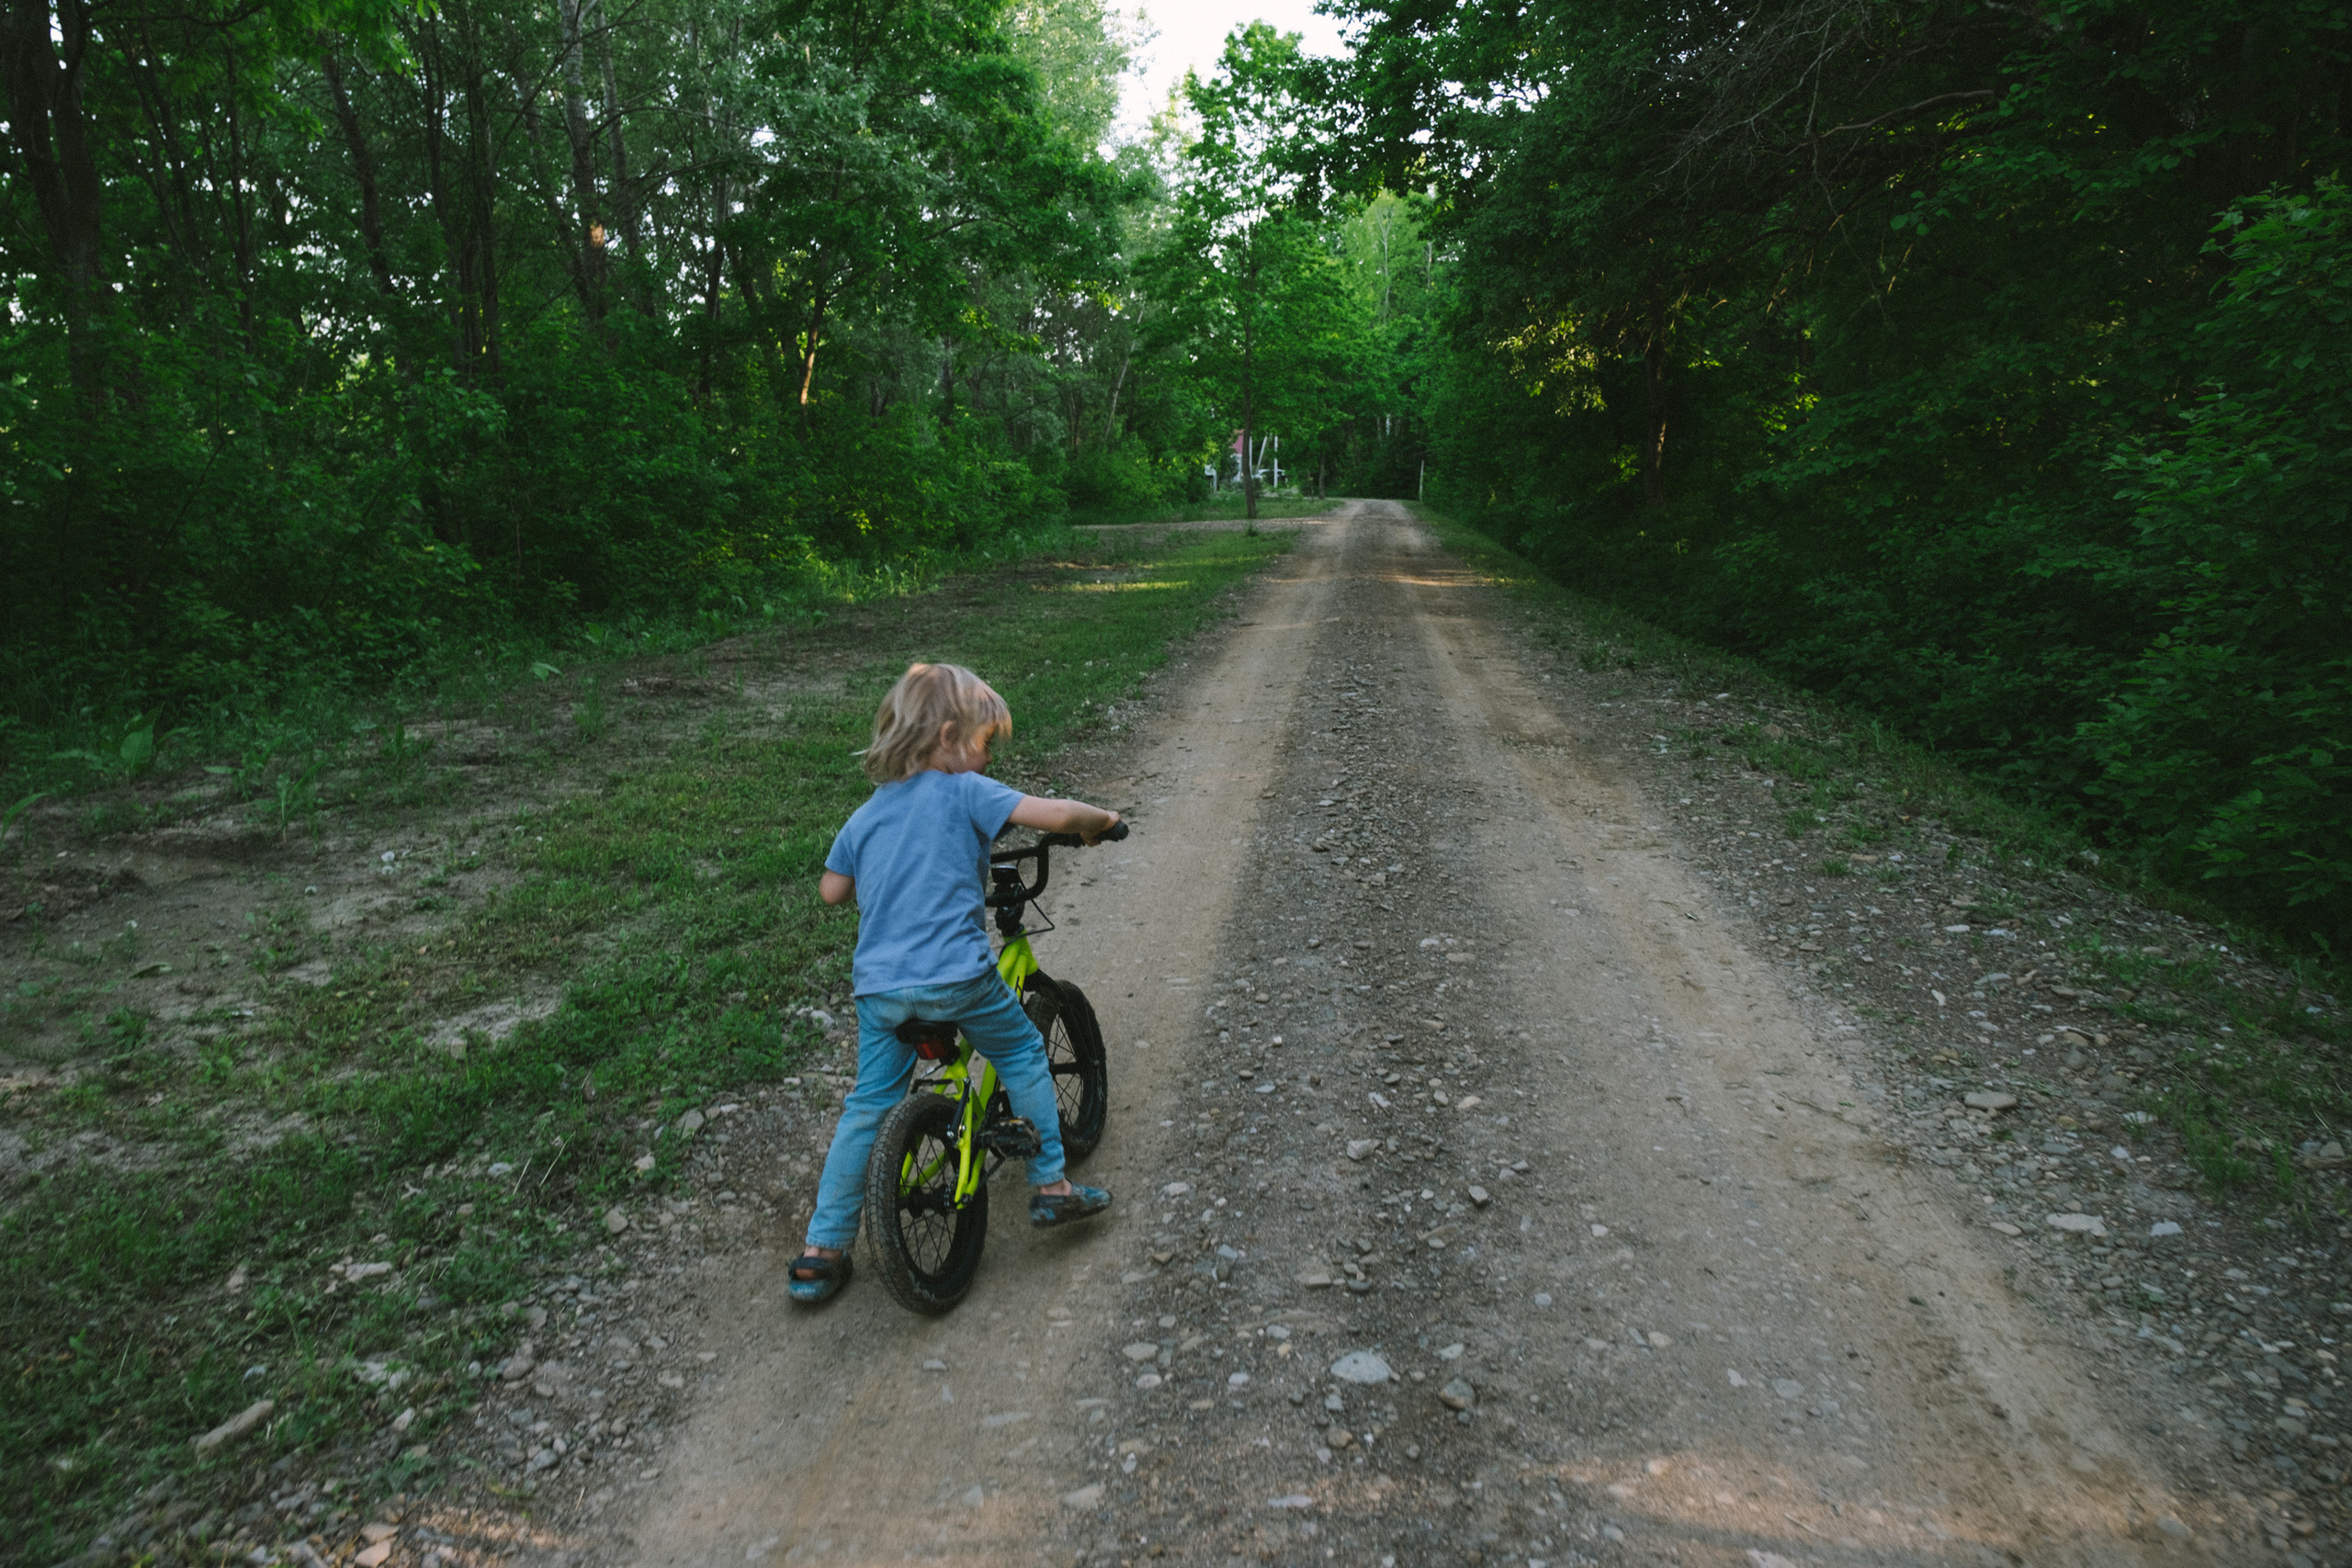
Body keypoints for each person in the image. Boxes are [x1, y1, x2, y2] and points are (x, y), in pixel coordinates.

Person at [789, 661, 1120, 1303]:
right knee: (1022, 1050)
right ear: (947, 737)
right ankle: (1051, 1185)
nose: (989, 756)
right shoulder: (965, 791)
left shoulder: (866, 815)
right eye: (985, 741)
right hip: (957, 977)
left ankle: (821, 1251)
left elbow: (831, 891)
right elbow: (1052, 814)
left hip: (880, 992)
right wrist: (1100, 820)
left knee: (868, 1104)